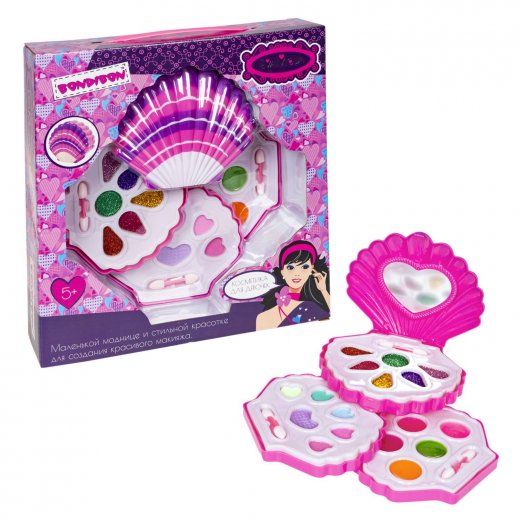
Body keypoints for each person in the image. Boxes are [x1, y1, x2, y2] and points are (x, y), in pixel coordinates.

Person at [256, 240, 330, 330]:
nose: (297, 273)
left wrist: (323, 290)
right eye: (290, 267)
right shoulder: (263, 318)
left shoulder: (312, 307)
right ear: (282, 271)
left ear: (311, 269)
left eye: (304, 267)